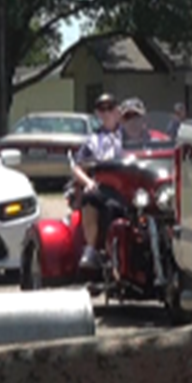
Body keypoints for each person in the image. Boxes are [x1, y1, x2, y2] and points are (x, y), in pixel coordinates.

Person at [70, 92, 127, 270]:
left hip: (128, 186)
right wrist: (88, 182)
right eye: (102, 109)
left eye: (110, 107)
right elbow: (77, 167)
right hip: (103, 186)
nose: (107, 112)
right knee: (90, 198)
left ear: (118, 111)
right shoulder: (92, 141)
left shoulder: (129, 135)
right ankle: (92, 250)